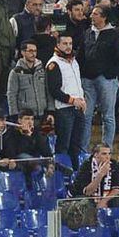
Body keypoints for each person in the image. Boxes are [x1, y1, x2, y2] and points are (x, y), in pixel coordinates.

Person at [79, 3, 119, 152]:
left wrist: (110, 74)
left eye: (95, 14)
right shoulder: (88, 33)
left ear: (104, 17)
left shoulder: (114, 35)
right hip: (87, 79)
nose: (91, 16)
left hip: (106, 80)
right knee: (86, 115)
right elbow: (81, 55)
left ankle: (107, 148)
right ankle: (83, 149)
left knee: (108, 116)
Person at [46, 32, 86, 170]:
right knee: (64, 145)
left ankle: (76, 173)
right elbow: (54, 90)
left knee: (76, 145)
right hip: (64, 110)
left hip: (78, 108)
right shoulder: (54, 64)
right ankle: (61, 175)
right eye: (65, 43)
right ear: (58, 44)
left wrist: (82, 99)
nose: (68, 46)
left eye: (70, 43)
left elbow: (77, 84)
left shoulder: (74, 61)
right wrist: (73, 100)